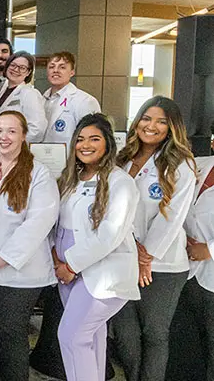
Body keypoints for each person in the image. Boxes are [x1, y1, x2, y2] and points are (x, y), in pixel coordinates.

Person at [0, 110, 59, 381]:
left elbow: (40, 222)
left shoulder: (38, 174)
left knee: (10, 334)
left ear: (24, 136)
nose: (3, 137)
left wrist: (3, 258)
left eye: (11, 131)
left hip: (20, 272)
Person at [112, 96, 196, 381]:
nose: (151, 126)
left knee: (154, 334)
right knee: (124, 333)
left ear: (172, 127)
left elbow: (171, 215)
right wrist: (133, 252)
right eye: (147, 118)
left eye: (161, 121)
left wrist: (146, 256)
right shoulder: (123, 157)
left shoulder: (180, 163)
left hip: (162, 266)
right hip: (124, 256)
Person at [53, 114, 140, 381]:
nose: (85, 145)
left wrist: (71, 265)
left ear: (108, 144)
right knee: (90, 338)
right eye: (80, 139)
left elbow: (110, 235)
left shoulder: (120, 182)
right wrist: (57, 260)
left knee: (71, 336)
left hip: (100, 273)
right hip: (67, 273)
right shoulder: (70, 178)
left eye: (94, 139)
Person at [167, 154, 214, 380]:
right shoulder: (196, 164)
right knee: (187, 345)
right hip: (185, 272)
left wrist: (210, 250)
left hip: (211, 274)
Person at [42, 51, 101, 146]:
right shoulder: (41, 99)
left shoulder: (85, 101)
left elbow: (91, 138)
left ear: (72, 72)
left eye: (62, 67)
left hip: (70, 159)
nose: (55, 70)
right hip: (41, 156)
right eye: (51, 67)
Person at [0, 51, 46, 143]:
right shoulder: (1, 89)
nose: (16, 70)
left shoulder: (30, 94)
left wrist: (15, 144)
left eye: (22, 68)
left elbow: (37, 130)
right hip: (0, 146)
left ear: (28, 72)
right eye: (13, 65)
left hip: (16, 150)